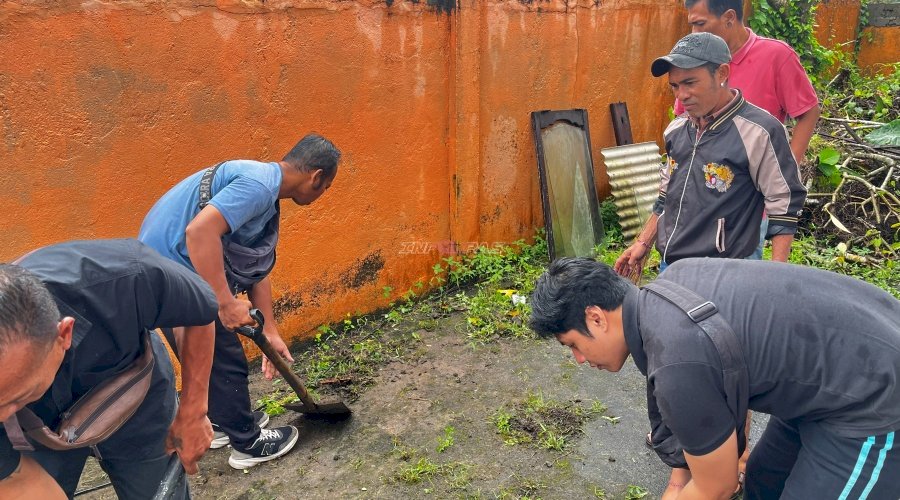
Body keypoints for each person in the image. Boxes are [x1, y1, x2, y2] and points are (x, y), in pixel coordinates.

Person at [530, 257, 900, 500]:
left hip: (872, 396)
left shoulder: (677, 359)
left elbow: (717, 486)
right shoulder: (672, 283)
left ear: (596, 317)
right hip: (831, 372)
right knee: (765, 480)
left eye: (573, 345)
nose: (579, 359)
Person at [139, 134, 341, 469]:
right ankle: (246, 444)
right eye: (326, 187)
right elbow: (199, 232)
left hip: (163, 266)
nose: (322, 195)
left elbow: (255, 267)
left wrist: (272, 329)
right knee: (224, 350)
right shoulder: (259, 185)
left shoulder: (265, 193)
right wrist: (223, 301)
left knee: (203, 352)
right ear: (316, 176)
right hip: (166, 269)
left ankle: (219, 422)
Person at [0, 239, 217, 499]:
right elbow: (17, 479)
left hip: (137, 396)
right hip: (36, 429)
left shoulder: (127, 276)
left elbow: (199, 312)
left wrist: (193, 412)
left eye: (15, 397)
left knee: (155, 489)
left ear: (64, 334)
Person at [614, 32, 806, 276]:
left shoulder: (759, 131)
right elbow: (666, 194)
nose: (681, 95)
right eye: (675, 85)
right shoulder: (677, 130)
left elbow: (784, 204)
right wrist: (643, 242)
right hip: (671, 266)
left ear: (722, 74)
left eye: (690, 83)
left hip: (727, 270)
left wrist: (777, 276)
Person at [680, 0, 821, 260]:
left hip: (746, 204)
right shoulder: (695, 61)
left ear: (729, 17)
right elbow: (684, 123)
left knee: (739, 279)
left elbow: (808, 111)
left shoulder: (776, 56)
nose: (694, 34)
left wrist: (785, 167)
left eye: (700, 24)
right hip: (701, 201)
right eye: (692, 25)